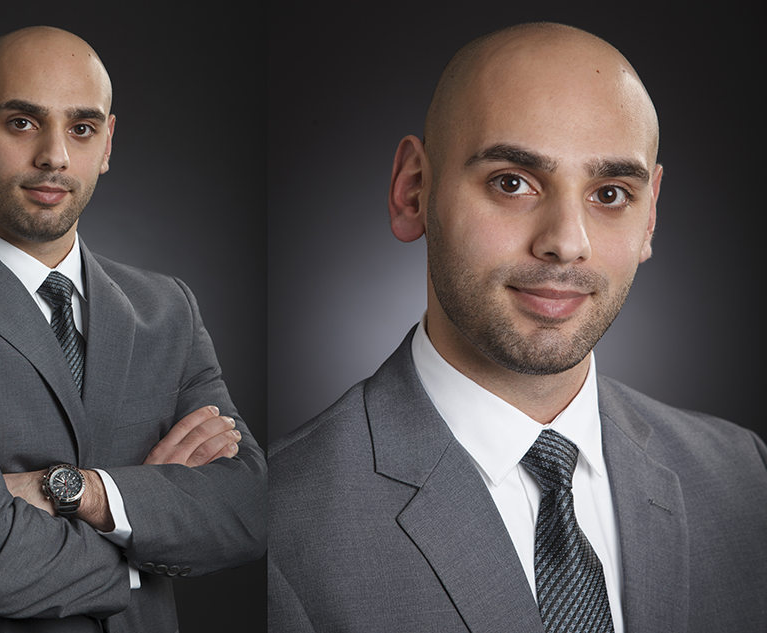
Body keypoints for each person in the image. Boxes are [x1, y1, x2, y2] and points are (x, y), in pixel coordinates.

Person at [267, 22, 766, 633]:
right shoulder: (281, 523)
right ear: (413, 191)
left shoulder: (745, 477)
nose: (565, 243)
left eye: (610, 193)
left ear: (650, 216)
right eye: (513, 183)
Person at [0, 26, 265, 632]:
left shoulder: (169, 309)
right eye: (21, 123)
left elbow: (249, 509)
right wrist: (149, 532)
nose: (55, 156)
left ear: (107, 142)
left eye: (81, 129)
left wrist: (75, 490)